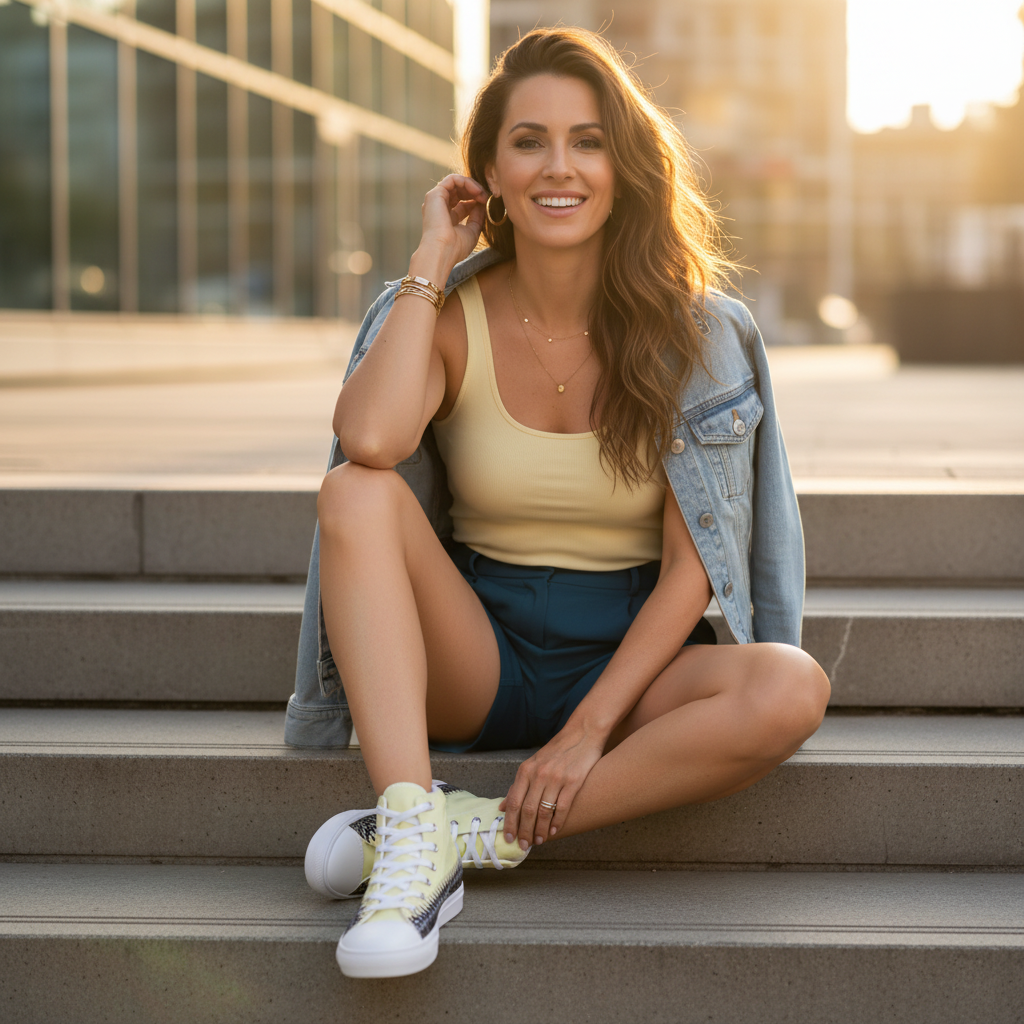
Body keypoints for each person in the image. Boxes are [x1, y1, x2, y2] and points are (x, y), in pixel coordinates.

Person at [293, 27, 831, 979]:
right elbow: (371, 444)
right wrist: (430, 255)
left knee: (790, 685)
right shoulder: (440, 314)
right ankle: (413, 824)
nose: (560, 167)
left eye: (587, 141)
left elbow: (692, 571)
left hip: (630, 653)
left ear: (623, 166)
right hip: (478, 648)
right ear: (489, 170)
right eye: (529, 141)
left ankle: (459, 836)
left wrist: (587, 733)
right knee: (355, 492)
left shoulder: (698, 331)